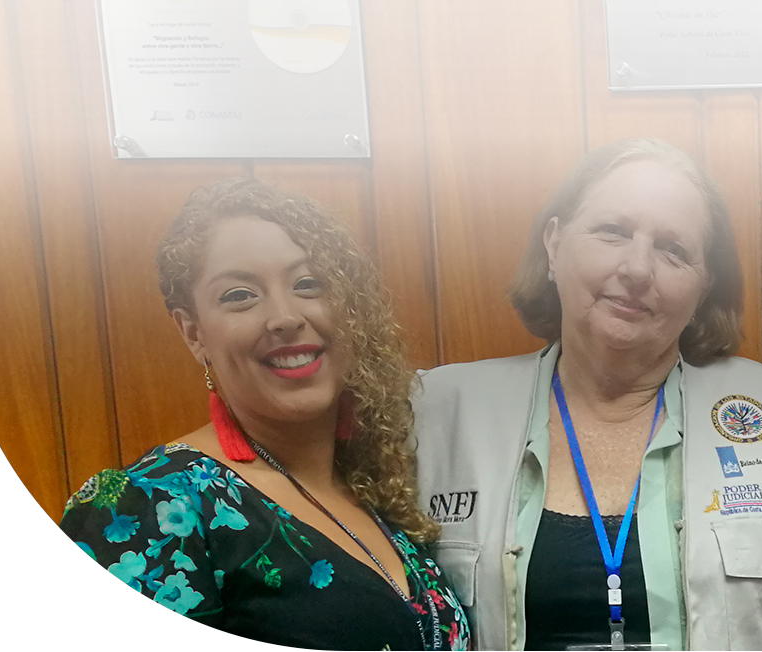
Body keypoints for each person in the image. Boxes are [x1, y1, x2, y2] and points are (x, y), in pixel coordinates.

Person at [411, 138, 762, 650]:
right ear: (553, 245)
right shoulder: (438, 412)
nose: (638, 269)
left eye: (673, 250)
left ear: (703, 286)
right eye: (612, 231)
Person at [59, 178, 471, 650]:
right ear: (193, 332)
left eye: (307, 284)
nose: (284, 316)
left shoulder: (372, 485)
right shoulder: (145, 507)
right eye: (239, 295)